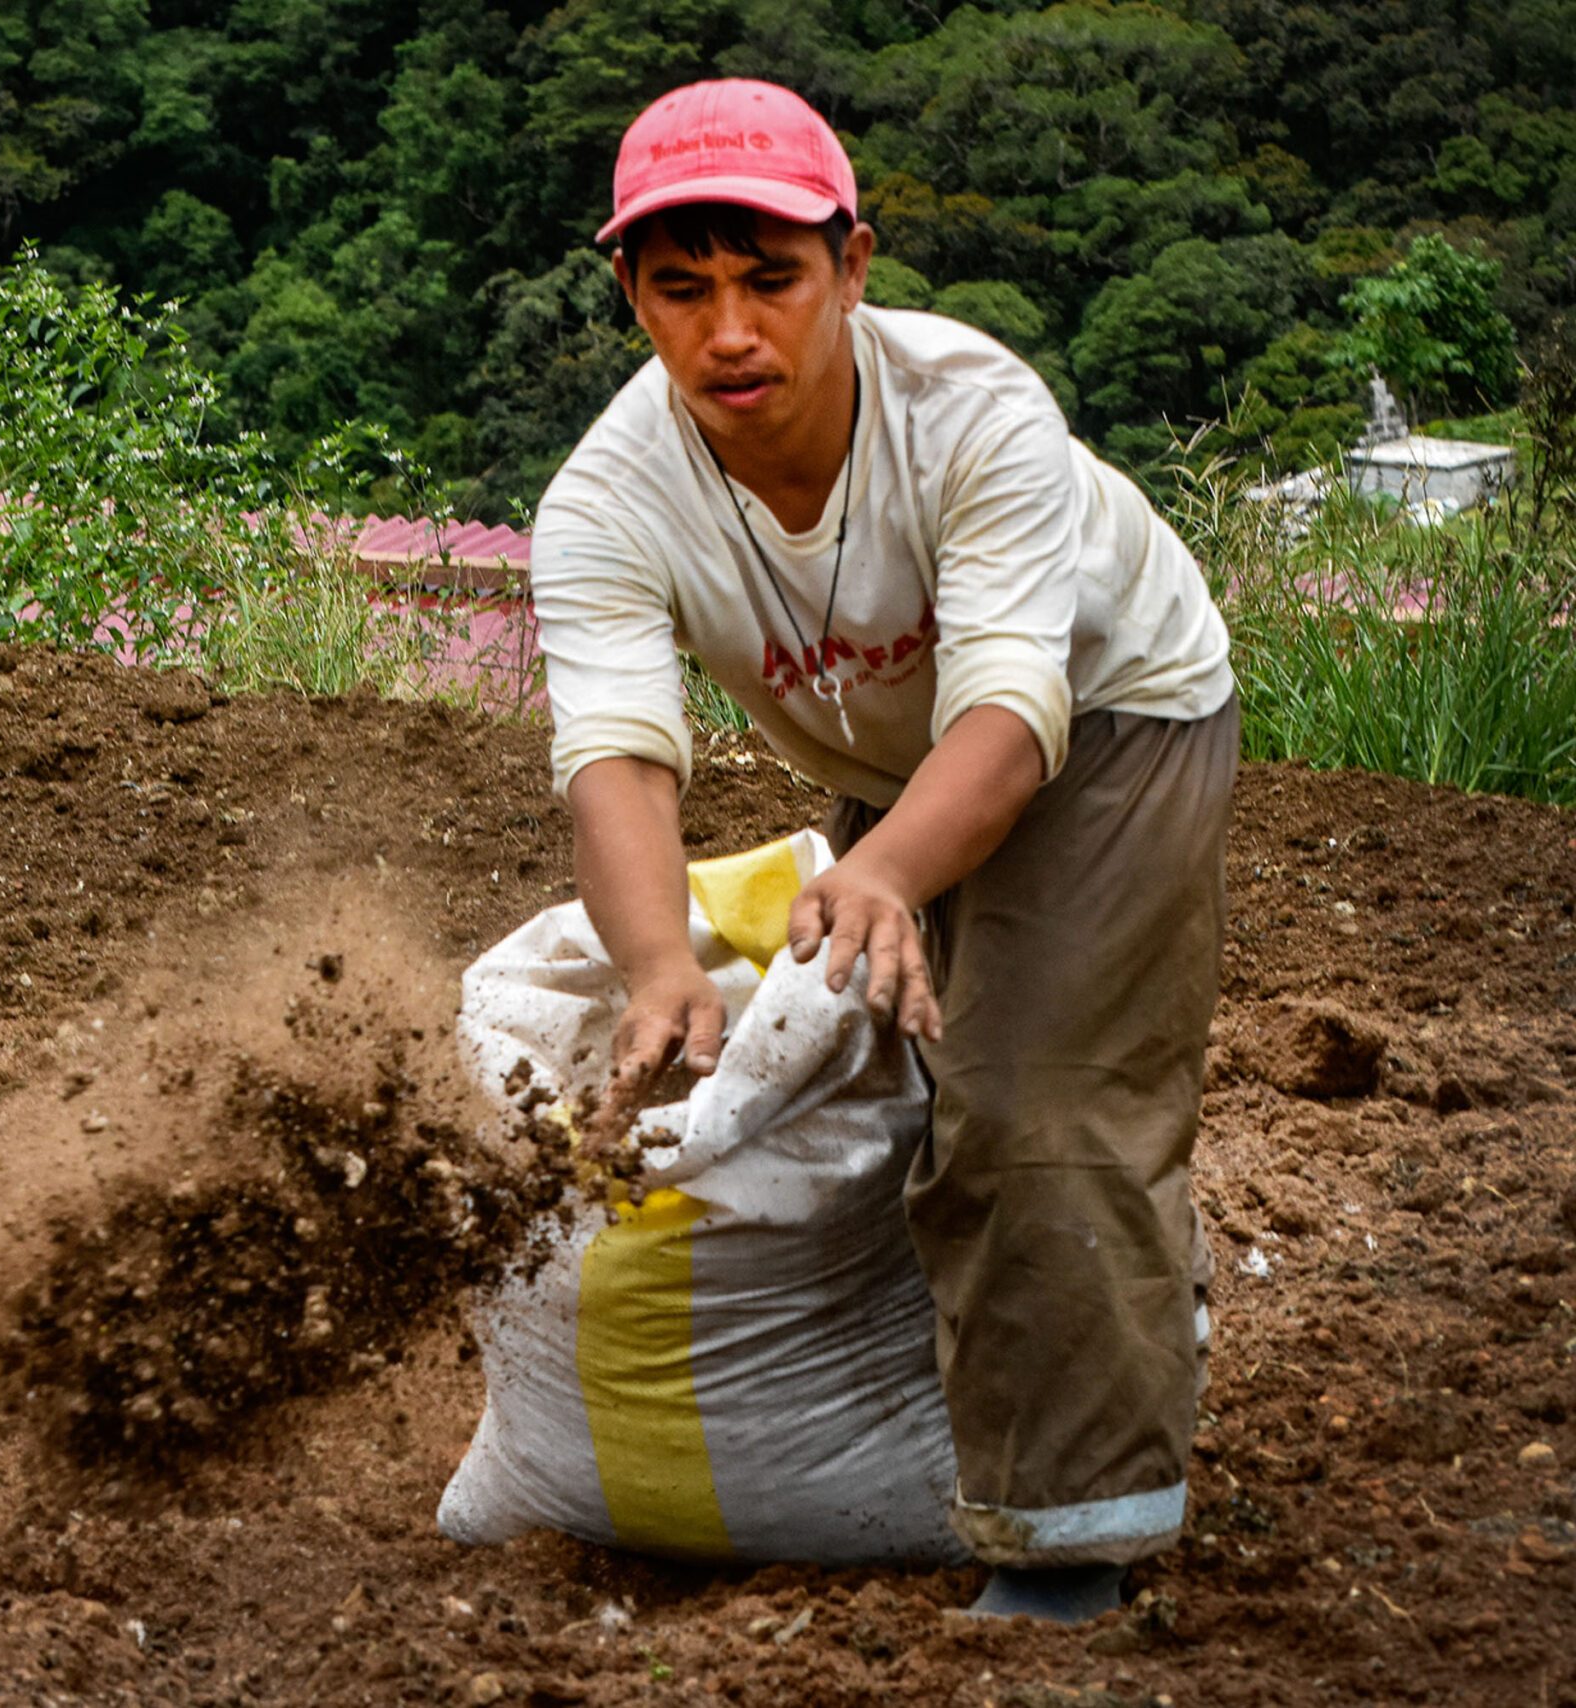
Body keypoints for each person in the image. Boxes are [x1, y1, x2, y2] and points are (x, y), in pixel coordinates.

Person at [531, 78, 1239, 1623]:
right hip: (902, 763)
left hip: (1112, 718)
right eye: (682, 286)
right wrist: (658, 972)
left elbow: (1012, 701)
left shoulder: (971, 411)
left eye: (770, 278)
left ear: (850, 268)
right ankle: (1085, 1333)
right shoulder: (606, 501)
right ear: (629, 296)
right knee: (901, 1093)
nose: (730, 331)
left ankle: (1073, 1550)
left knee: (1033, 1100)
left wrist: (888, 872)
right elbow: (617, 753)